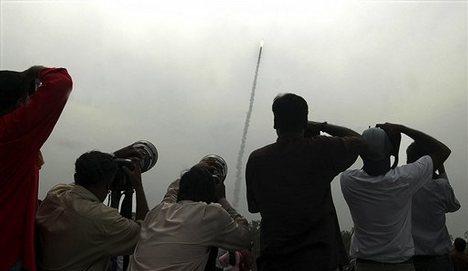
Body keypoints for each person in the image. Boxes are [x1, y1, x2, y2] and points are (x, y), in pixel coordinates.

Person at [246, 93, 366, 271]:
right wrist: (321, 126)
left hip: (274, 261)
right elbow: (360, 141)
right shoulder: (321, 149)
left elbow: (253, 207)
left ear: (275, 123)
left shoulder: (257, 159)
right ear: (304, 122)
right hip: (319, 261)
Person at [340, 123, 451, 271]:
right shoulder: (404, 179)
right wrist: (403, 129)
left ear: (361, 151)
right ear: (390, 151)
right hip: (401, 265)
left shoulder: (348, 180)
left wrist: (323, 126)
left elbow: (357, 144)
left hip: (364, 265)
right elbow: (442, 150)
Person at [0, 66, 73, 271]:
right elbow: (61, 84)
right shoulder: (12, 133)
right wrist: (33, 72)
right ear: (17, 104)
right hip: (6, 252)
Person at [36, 151, 149, 271]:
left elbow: (85, 174)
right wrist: (138, 185)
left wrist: (114, 158)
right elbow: (146, 233)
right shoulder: (102, 218)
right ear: (106, 185)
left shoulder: (56, 194)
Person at [128, 163, 251, 271]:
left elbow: (171, 192)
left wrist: (196, 169)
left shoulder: (158, 211)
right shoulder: (210, 213)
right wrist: (222, 199)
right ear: (210, 194)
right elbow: (244, 239)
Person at [407, 142, 460, 271]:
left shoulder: (402, 187)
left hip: (410, 260)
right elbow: (453, 206)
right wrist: (441, 170)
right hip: (439, 260)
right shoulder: (441, 186)